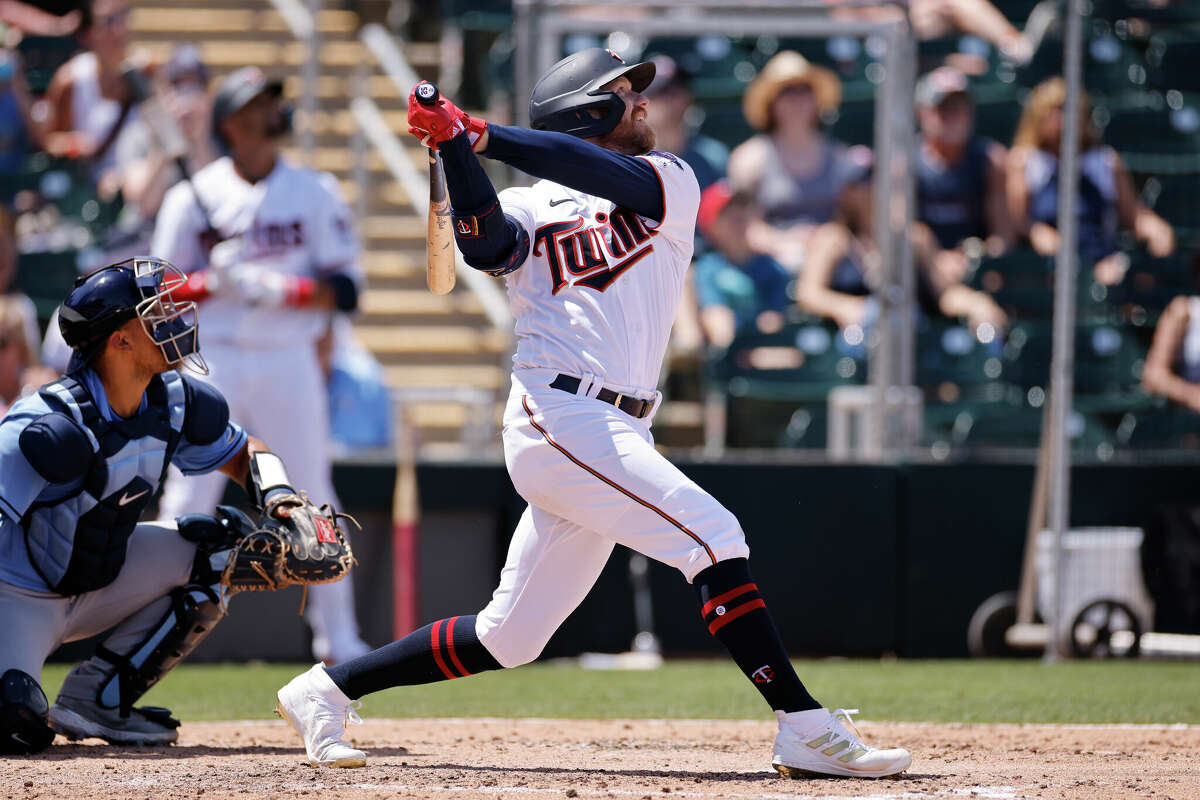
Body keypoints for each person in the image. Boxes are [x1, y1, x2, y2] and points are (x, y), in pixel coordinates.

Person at [274, 48, 911, 779]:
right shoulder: (526, 204)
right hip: (559, 414)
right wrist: (455, 145)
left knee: (508, 636)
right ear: (588, 112)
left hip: (617, 425)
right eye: (625, 94)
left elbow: (597, 173)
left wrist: (478, 131)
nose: (642, 103)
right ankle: (803, 723)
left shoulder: (669, 180)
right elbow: (483, 245)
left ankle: (325, 689)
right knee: (713, 536)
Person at [0, 256, 330, 751]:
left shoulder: (175, 401)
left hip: (101, 579)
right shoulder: (45, 426)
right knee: (16, 725)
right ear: (120, 339)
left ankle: (99, 700)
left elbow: (245, 452)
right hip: (18, 597)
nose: (172, 319)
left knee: (224, 549)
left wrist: (284, 502)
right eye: (153, 313)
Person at [150, 66, 371, 665]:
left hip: (287, 356)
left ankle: (339, 639)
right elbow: (155, 296)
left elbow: (347, 289)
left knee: (315, 496)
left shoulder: (314, 189)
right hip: (211, 359)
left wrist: (281, 289)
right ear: (229, 123)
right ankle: (151, 638)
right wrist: (205, 283)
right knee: (185, 500)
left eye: (274, 102)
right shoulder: (191, 195)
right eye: (255, 106)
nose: (271, 114)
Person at [1006, 77, 1175, 287]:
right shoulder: (1025, 162)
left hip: (1102, 261)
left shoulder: (1105, 162)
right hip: (1047, 268)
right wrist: (1038, 233)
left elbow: (1132, 213)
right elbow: (1017, 221)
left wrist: (1156, 229)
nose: (1066, 119)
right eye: (1057, 110)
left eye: (1073, 110)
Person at [726, 50, 872, 272]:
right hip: (773, 265)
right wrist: (786, 242)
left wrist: (824, 242)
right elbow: (744, 228)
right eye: (787, 91)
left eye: (805, 90)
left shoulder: (840, 156)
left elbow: (856, 225)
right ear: (771, 102)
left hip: (835, 263)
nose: (797, 98)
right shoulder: (748, 159)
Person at [31, 0, 142, 191]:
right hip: (88, 197)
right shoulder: (71, 80)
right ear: (88, 34)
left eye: (123, 18)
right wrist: (74, 144)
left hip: (138, 190)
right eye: (108, 22)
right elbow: (48, 141)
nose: (118, 29)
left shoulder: (146, 75)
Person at [914, 66, 1014, 257]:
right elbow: (900, 229)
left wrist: (978, 256)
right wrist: (937, 261)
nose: (954, 117)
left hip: (973, 269)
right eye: (944, 108)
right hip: (920, 270)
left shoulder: (991, 160)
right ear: (922, 113)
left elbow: (1002, 236)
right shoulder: (903, 162)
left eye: (960, 108)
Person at [692, 181, 791, 349]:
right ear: (712, 225)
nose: (738, 218)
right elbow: (717, 322)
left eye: (742, 210)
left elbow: (774, 320)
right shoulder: (707, 268)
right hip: (726, 353)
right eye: (727, 213)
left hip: (766, 349)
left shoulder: (772, 268)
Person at [642, 55, 727, 194]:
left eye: (679, 89)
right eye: (662, 92)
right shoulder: (629, 160)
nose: (672, 98)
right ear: (642, 103)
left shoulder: (713, 157)